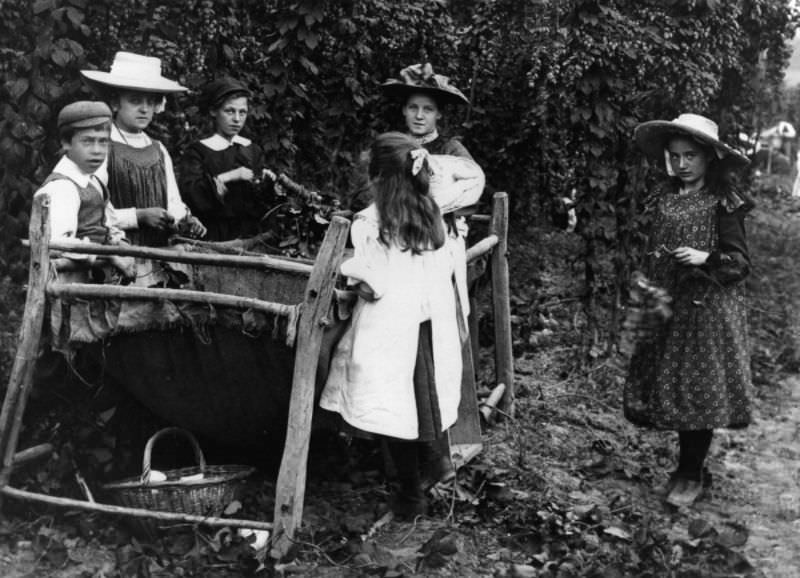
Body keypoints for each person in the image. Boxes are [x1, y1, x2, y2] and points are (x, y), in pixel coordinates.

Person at [320, 132, 483, 519]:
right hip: (427, 327)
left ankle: (410, 494)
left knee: (392, 410)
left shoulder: (371, 222)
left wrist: (349, 270)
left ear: (377, 178)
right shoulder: (433, 212)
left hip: (390, 330)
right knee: (422, 403)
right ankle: (432, 465)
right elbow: (472, 179)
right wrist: (427, 164)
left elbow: (371, 280)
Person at [625, 113, 753, 507]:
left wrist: (705, 257)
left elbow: (739, 263)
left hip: (707, 309)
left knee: (700, 393)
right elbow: (654, 245)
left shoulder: (724, 203)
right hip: (669, 305)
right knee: (676, 388)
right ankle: (691, 466)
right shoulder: (665, 198)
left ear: (709, 157)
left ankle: (689, 473)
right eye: (675, 156)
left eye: (690, 156)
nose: (682, 164)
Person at [379, 62, 481, 485]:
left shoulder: (453, 152)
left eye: (427, 109)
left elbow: (467, 191)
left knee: (440, 338)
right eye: (413, 108)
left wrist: (427, 191)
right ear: (403, 112)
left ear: (439, 116)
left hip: (440, 250)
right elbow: (371, 191)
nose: (419, 116)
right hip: (398, 249)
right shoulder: (391, 148)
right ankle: (403, 446)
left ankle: (444, 436)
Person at [80, 51, 206, 246]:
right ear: (115, 102)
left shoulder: (158, 150)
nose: (144, 109)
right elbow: (91, 210)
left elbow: (173, 201)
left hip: (159, 253)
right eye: (135, 100)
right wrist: (138, 216)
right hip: (116, 252)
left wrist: (185, 219)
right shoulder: (102, 146)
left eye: (150, 101)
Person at [42, 100, 135, 279]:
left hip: (93, 281)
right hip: (66, 281)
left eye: (103, 142)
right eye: (87, 142)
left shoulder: (93, 181)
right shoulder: (63, 187)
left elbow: (108, 225)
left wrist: (119, 243)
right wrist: (109, 256)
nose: (97, 151)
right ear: (66, 142)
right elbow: (58, 243)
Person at [178, 76, 270, 241]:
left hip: (249, 236)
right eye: (229, 111)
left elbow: (260, 204)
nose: (236, 119)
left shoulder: (252, 149)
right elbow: (191, 196)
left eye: (242, 112)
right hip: (212, 236)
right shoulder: (198, 151)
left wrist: (267, 183)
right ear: (214, 111)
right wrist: (230, 176)